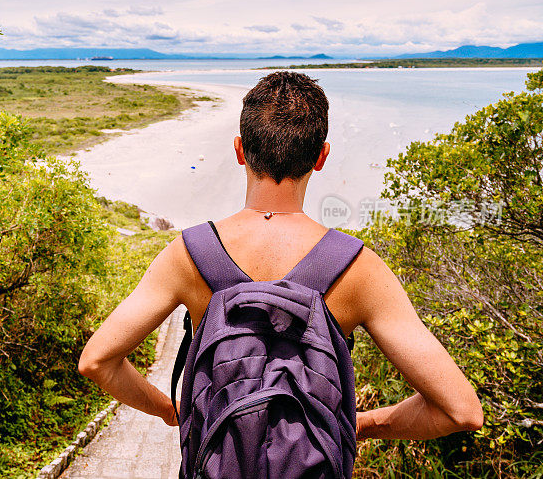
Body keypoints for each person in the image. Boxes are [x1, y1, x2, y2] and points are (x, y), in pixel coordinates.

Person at [78, 71, 483, 445]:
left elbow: (98, 361)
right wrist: (356, 424)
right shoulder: (358, 268)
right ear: (321, 157)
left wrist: (175, 413)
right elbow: (461, 410)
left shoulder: (189, 254)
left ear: (240, 150)